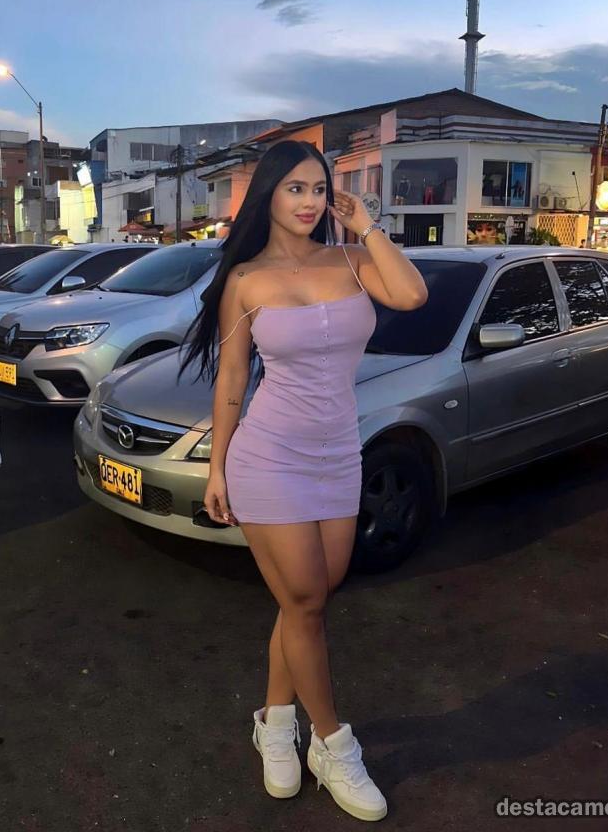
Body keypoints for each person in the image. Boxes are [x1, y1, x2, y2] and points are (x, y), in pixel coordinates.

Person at [179, 141, 427, 822]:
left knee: (307, 599)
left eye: (319, 188)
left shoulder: (350, 260)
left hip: (338, 453)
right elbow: (232, 379)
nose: (310, 201)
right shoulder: (244, 280)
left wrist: (366, 225)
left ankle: (275, 719)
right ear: (267, 195)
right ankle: (333, 744)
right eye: (294, 188)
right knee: (307, 601)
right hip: (269, 455)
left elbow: (411, 294)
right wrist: (217, 467)